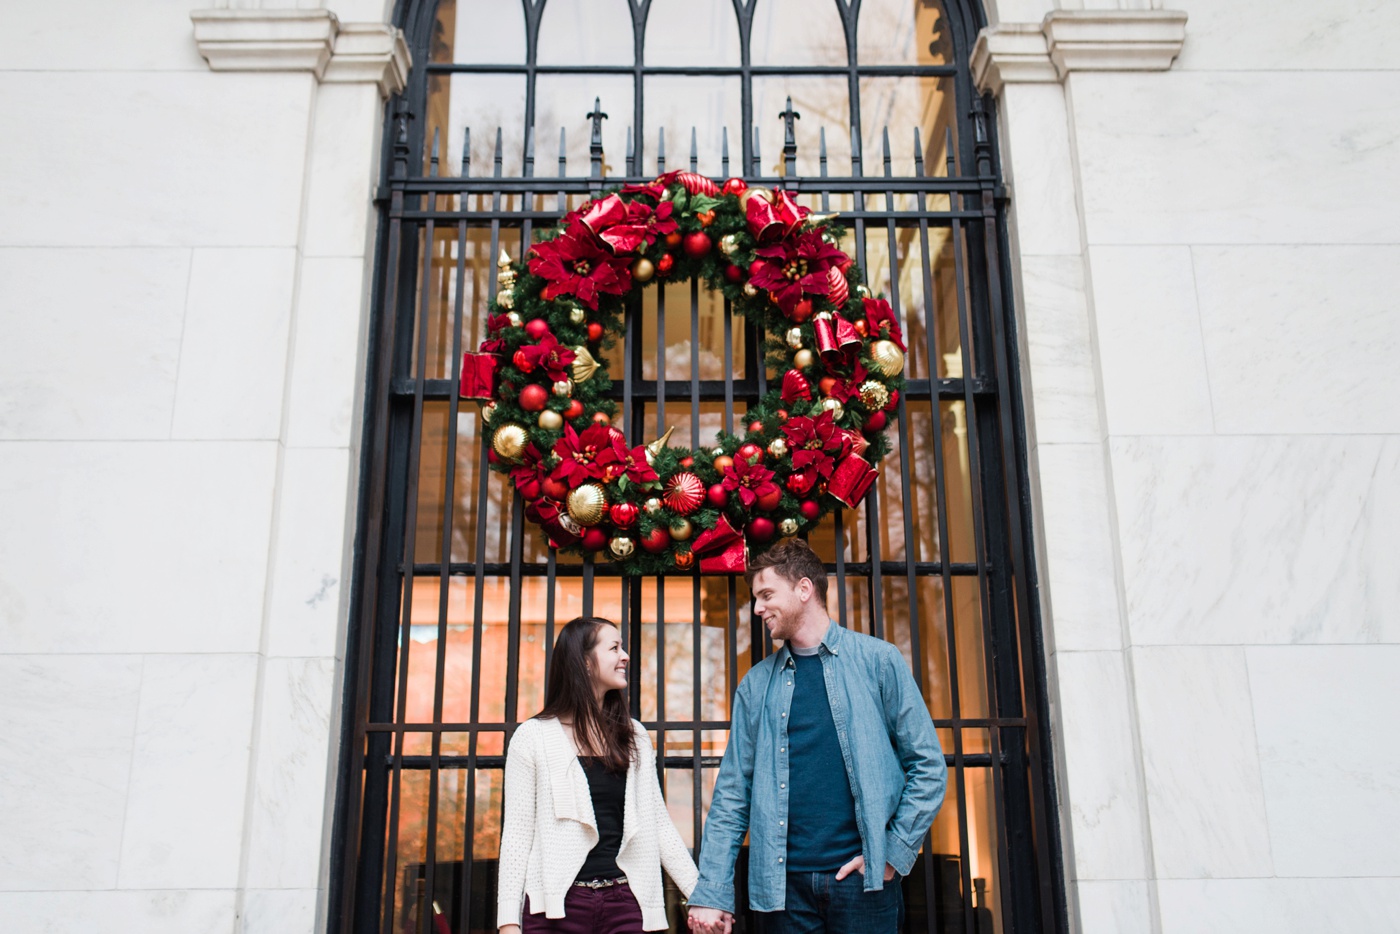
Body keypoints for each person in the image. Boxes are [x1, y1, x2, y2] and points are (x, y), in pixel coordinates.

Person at [687, 539, 946, 934]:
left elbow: (928, 766)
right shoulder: (755, 686)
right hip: (782, 892)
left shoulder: (879, 661)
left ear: (804, 590)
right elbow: (732, 793)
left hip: (865, 886)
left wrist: (891, 854)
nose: (757, 608)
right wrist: (712, 892)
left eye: (766, 594)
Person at [497, 616, 698, 934]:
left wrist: (701, 897)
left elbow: (658, 825)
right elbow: (517, 836)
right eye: (614, 648)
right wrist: (508, 921)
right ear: (584, 662)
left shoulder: (635, 735)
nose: (625, 656)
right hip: (554, 911)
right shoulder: (532, 737)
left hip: (626, 905)